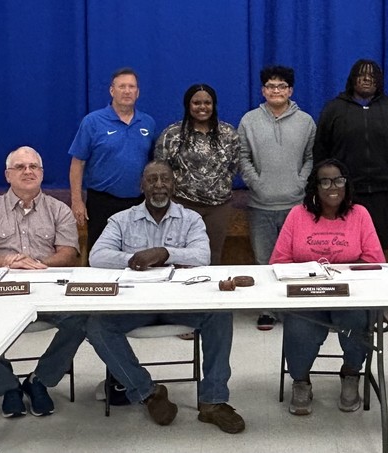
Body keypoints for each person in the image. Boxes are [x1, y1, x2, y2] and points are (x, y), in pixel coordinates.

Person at [85, 161, 244, 434]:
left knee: (219, 314)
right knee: (96, 325)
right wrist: (134, 259)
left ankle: (213, 401)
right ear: (141, 186)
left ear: (174, 185)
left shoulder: (191, 219)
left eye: (165, 179)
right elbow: (96, 257)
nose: (159, 185)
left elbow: (202, 256)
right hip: (134, 306)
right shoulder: (122, 220)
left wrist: (163, 253)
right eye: (152, 179)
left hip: (180, 303)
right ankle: (148, 392)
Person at [0, 146, 84, 418]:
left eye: (33, 166)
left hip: (47, 288)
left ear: (42, 173)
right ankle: (8, 387)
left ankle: (39, 381)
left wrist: (41, 265)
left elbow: (68, 253)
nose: (28, 171)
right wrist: (9, 261)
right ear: (8, 175)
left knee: (83, 319)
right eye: (20, 167)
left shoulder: (60, 210)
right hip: (3, 288)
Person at [269, 159, 385, 416]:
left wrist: (341, 273)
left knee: (357, 320)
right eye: (325, 181)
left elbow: (376, 261)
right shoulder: (297, 215)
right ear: (315, 186)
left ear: (346, 184)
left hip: (349, 295)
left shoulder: (360, 214)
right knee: (298, 326)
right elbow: (278, 261)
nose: (332, 186)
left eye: (338, 180)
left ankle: (351, 374)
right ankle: (301, 381)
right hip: (307, 295)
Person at [314, 59, 388, 332]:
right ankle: (337, 310)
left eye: (371, 76)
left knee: (374, 258)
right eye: (361, 75)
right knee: (340, 252)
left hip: (383, 194)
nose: (366, 80)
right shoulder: (334, 109)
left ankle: (375, 310)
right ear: (352, 79)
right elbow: (321, 151)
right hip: (342, 195)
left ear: (379, 80)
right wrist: (323, 189)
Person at [238, 65, 316, 331]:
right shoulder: (249, 120)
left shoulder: (305, 121)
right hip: (260, 204)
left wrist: (300, 181)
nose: (276, 91)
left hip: (296, 205)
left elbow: (311, 157)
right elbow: (242, 156)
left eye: (281, 86)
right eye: (271, 86)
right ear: (263, 90)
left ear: (290, 90)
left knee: (298, 259)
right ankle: (268, 309)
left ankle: (296, 307)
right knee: (264, 259)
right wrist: (256, 183)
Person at [68, 67, 155, 253]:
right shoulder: (92, 122)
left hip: (138, 203)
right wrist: (76, 201)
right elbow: (78, 163)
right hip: (102, 202)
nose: (127, 91)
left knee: (137, 255)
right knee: (100, 255)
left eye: (131, 86)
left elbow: (153, 164)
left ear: (138, 92)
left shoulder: (148, 123)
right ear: (112, 90)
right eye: (122, 86)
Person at [155, 84, 240, 266]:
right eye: (196, 103)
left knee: (213, 256)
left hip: (218, 207)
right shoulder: (172, 134)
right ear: (188, 105)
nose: (202, 107)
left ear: (214, 105)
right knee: (180, 256)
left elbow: (234, 166)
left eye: (207, 102)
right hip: (183, 205)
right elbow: (161, 169)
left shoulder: (228, 133)